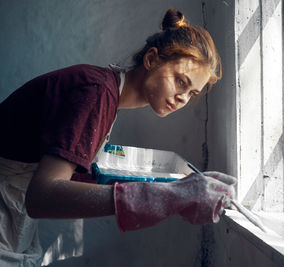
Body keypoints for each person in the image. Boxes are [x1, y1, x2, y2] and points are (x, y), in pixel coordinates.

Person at [0, 9, 236, 267]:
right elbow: (42, 197)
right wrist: (163, 196)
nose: (183, 98)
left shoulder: (109, 92)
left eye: (192, 93)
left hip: (14, 210)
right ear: (151, 59)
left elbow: (58, 167)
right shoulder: (98, 92)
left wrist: (167, 184)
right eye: (181, 81)